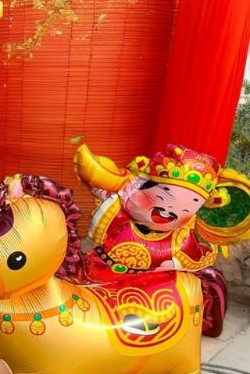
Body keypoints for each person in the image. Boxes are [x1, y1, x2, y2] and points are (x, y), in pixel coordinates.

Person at [75, 142, 228, 336]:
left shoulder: (180, 236)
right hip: (101, 271)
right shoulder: (118, 211)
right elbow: (100, 185)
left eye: (185, 209)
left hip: (147, 281)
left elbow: (194, 255)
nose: (168, 210)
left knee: (160, 296)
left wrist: (173, 264)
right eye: (162, 198)